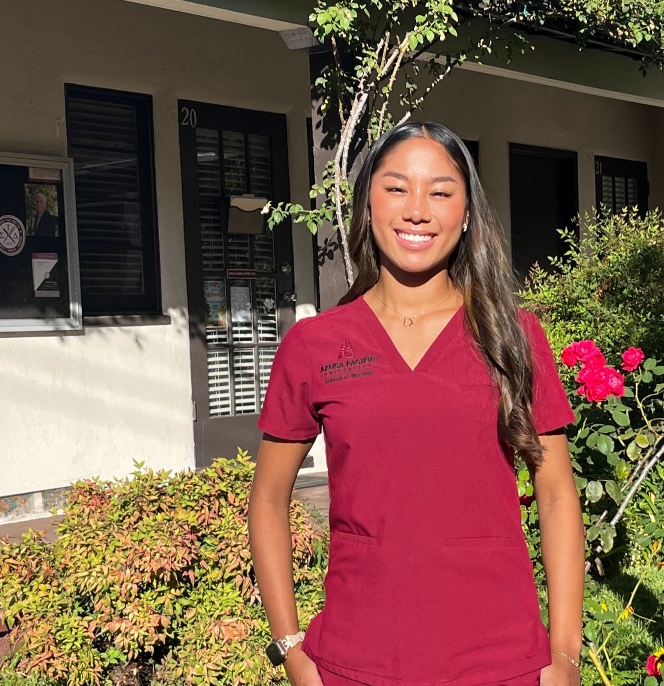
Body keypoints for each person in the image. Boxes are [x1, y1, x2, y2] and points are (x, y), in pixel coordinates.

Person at [249, 121, 585, 686]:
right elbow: (267, 499)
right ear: (367, 203)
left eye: (441, 191)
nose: (417, 211)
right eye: (397, 187)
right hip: (357, 662)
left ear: (468, 213)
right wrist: (292, 650)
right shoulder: (316, 345)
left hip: (500, 660)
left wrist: (565, 654)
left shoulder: (514, 337)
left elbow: (554, 493)